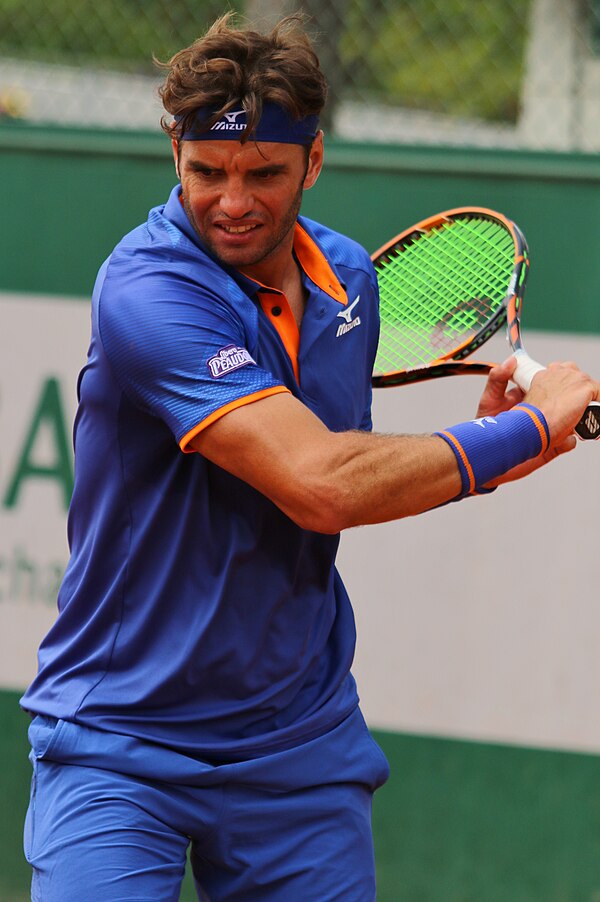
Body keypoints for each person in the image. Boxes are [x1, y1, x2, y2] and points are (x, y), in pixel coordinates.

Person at [21, 13, 598, 902]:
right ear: (174, 153)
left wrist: (505, 445)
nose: (232, 200)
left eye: (264, 172)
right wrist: (523, 428)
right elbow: (320, 484)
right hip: (120, 735)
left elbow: (355, 470)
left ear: (314, 161)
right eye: (206, 171)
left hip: (297, 737)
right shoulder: (147, 290)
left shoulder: (350, 286)